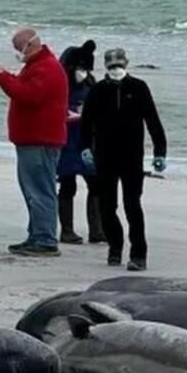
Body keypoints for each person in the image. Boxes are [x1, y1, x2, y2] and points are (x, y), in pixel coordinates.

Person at [80, 48, 167, 271]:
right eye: (111, 65)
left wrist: (160, 152)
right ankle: (115, 247)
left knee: (132, 205)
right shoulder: (98, 90)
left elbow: (153, 120)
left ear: (126, 64)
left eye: (118, 64)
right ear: (105, 67)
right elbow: (86, 123)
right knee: (107, 206)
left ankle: (138, 255)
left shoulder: (139, 87)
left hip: (132, 157)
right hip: (104, 156)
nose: (115, 68)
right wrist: (84, 148)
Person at [0, 27, 69, 257]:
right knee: (32, 190)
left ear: (30, 46)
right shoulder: (36, 67)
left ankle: (45, 240)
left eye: (18, 49)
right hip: (31, 140)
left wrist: (1, 75)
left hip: (41, 140)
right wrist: (8, 76)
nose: (17, 53)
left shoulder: (48, 68)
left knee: (40, 191)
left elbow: (27, 95)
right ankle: (36, 235)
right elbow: (24, 89)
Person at [56, 40, 105, 245]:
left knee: (96, 185)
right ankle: (67, 230)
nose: (83, 72)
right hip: (66, 142)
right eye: (80, 68)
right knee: (68, 186)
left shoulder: (91, 83)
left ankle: (97, 230)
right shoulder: (60, 84)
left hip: (87, 142)